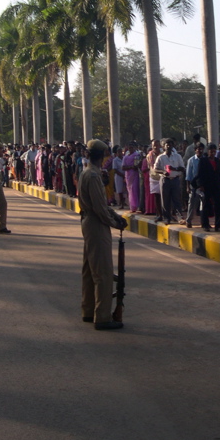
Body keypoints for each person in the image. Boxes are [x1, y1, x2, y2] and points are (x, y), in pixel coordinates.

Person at [77, 139, 127, 330]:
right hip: (96, 224)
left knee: (90, 270)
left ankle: (89, 310)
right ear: (104, 155)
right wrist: (115, 223)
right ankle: (103, 316)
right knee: (103, 273)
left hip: (89, 221)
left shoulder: (87, 173)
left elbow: (101, 206)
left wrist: (114, 215)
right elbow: (100, 207)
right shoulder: (94, 176)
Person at [155, 139, 185, 225]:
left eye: (170, 145)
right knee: (165, 200)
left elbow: (182, 168)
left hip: (175, 179)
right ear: (163, 146)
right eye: (167, 145)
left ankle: (179, 217)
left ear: (173, 146)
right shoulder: (160, 157)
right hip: (165, 180)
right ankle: (166, 218)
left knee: (177, 199)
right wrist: (163, 172)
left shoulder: (177, 156)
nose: (168, 146)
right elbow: (156, 169)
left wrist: (174, 169)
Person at [197, 143, 220, 232]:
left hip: (216, 186)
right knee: (206, 205)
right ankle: (205, 224)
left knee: (218, 206)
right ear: (207, 151)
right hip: (206, 186)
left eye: (214, 151)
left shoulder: (217, 160)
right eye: (211, 151)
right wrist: (201, 185)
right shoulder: (203, 160)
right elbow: (200, 174)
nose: (212, 153)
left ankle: (218, 225)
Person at [185, 142, 205, 228]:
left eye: (201, 149)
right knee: (192, 204)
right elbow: (188, 175)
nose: (200, 151)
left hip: (203, 185)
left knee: (203, 204)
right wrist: (188, 187)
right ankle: (188, 220)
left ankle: (203, 222)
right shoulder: (191, 160)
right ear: (195, 150)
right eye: (198, 149)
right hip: (193, 185)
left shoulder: (205, 159)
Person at [122, 142, 141, 212]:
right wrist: (130, 167)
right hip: (128, 175)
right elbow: (123, 167)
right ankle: (132, 206)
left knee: (135, 189)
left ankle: (136, 205)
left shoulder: (137, 155)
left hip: (135, 174)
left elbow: (138, 165)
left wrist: (134, 167)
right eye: (129, 148)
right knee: (130, 190)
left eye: (132, 147)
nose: (130, 149)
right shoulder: (126, 156)